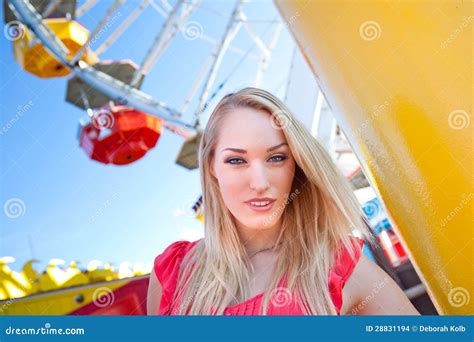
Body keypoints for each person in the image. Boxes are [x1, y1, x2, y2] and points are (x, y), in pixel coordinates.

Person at [147, 87, 419, 315]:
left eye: (277, 158)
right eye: (236, 161)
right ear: (211, 168)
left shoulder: (337, 266)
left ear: (298, 164)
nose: (260, 182)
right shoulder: (172, 271)